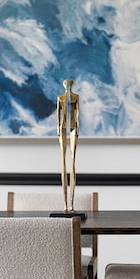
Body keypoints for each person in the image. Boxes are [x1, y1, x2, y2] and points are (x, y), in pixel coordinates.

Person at [57, 78, 80, 212]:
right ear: (64, 85)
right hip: (62, 128)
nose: (68, 86)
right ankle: (65, 204)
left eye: (70, 84)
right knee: (63, 164)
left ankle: (72, 204)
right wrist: (57, 127)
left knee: (72, 163)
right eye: (66, 84)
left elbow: (78, 113)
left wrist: (78, 127)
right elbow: (58, 114)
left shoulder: (76, 97)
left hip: (72, 128)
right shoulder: (60, 97)